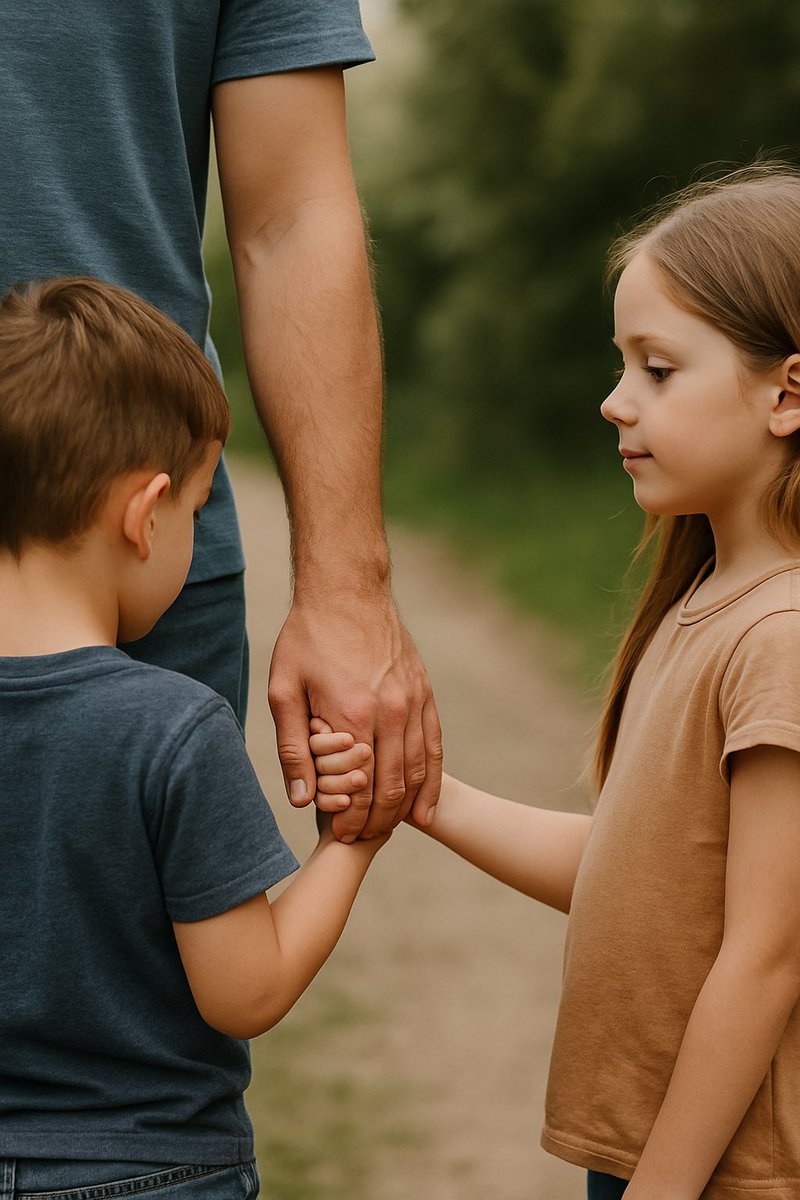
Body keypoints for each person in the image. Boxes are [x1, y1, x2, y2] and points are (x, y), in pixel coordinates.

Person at [313, 164, 800, 1199]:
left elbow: (766, 958)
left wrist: (662, 1188)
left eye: (657, 369)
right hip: (641, 1160)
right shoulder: (701, 602)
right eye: (620, 363)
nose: (613, 398)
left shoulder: (780, 637)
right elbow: (635, 875)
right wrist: (420, 796)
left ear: (785, 394)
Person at [1, 0, 442, 843]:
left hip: (139, 587)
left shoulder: (163, 725)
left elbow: (292, 215)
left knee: (136, 968)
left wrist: (345, 592)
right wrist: (357, 853)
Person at [0, 276, 387, 1197]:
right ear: (144, 514)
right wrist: (353, 841)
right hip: (151, 1168)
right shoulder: (170, 729)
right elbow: (245, 991)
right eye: (201, 505)